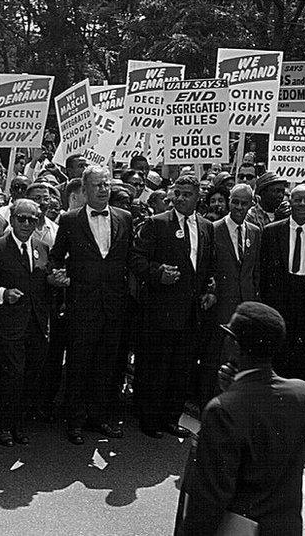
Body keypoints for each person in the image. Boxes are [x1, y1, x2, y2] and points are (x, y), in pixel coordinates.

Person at [175, 302, 305, 536]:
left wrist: (230, 394)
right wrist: (235, 390)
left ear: (236, 346)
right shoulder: (301, 393)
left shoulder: (222, 410)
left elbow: (208, 503)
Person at [50, 166, 132, 445]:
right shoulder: (70, 219)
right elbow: (56, 257)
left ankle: (99, 418)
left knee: (105, 366)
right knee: (79, 365)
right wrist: (58, 274)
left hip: (113, 305)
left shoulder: (124, 217)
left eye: (107, 184)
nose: (103, 189)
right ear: (84, 190)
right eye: (97, 185)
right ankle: (74, 422)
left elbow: (130, 259)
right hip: (82, 306)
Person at [130, 174, 214, 438]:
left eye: (186, 194)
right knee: (157, 368)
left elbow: (206, 266)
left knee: (181, 370)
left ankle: (170, 418)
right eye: (177, 193)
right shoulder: (157, 224)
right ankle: (150, 420)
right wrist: (158, 273)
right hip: (161, 311)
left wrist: (209, 289)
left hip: (191, 313)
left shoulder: (206, 226)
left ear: (197, 197)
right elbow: (136, 258)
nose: (180, 198)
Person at [0, 199, 54, 446]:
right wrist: (4, 293)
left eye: (32, 220)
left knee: (32, 375)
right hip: (10, 323)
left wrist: (55, 282)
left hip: (36, 323)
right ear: (11, 219)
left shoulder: (42, 247)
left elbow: (44, 283)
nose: (26, 224)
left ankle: (19, 424)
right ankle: (4, 426)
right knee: (12, 375)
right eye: (21, 218)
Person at [258, 184, 305, 385]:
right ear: (289, 202)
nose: (302, 204)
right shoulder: (272, 231)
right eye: (297, 199)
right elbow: (263, 273)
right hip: (280, 301)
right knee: (279, 353)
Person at [207, 184, 261, 390]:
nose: (239, 207)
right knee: (217, 357)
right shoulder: (213, 228)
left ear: (251, 204)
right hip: (221, 304)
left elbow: (255, 271)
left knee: (239, 356)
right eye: (235, 202)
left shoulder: (255, 232)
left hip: (245, 304)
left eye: (244, 203)